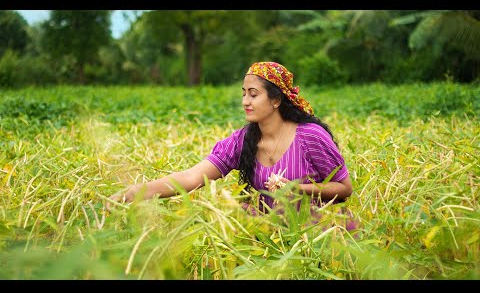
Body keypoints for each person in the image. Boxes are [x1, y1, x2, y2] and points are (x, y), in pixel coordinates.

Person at [107, 61, 353, 218]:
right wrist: (137, 191)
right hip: (265, 238)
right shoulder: (243, 140)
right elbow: (192, 177)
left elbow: (343, 190)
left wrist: (294, 188)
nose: (245, 101)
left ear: (276, 100)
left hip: (313, 238)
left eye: (253, 94)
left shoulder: (310, 137)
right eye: (244, 93)